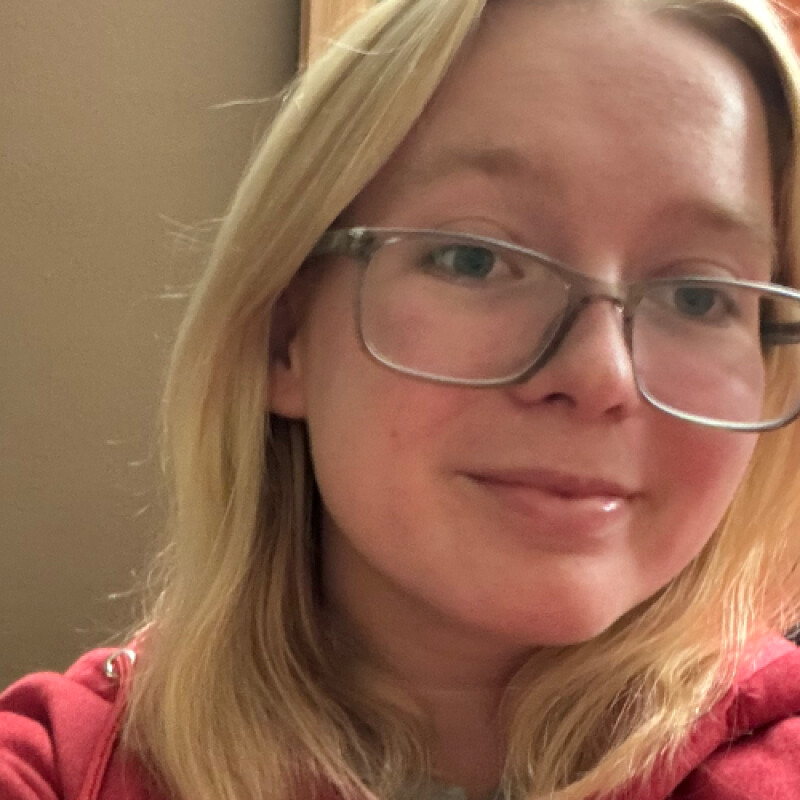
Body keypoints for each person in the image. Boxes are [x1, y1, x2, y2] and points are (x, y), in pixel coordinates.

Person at [5, 0, 800, 798]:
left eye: (700, 297)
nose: (602, 377)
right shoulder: (60, 768)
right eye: (474, 258)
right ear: (286, 335)